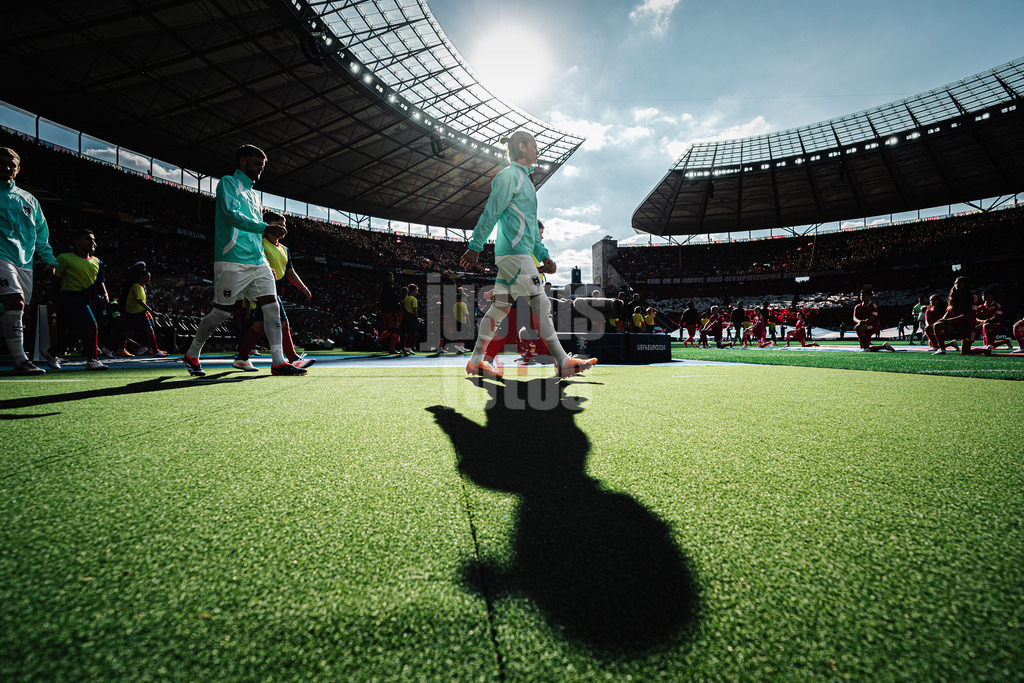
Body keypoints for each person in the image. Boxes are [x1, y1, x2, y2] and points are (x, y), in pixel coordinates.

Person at [459, 130, 595, 380]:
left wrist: (543, 255)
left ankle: (476, 361)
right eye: (534, 146)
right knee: (541, 305)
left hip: (517, 254)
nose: (538, 150)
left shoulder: (526, 182)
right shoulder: (509, 176)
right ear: (522, 147)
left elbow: (531, 226)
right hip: (515, 255)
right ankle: (563, 361)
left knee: (499, 308)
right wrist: (475, 245)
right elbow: (492, 211)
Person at [183, 144, 305, 377]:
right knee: (221, 312)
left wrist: (264, 251)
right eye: (257, 164)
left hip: (257, 261)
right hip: (232, 260)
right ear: (242, 162)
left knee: (272, 305)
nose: (260, 169)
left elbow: (255, 231)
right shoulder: (228, 183)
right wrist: (263, 226)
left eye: (263, 165)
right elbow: (231, 214)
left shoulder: (253, 195)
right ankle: (192, 353)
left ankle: (278, 361)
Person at [0, 147, 58, 375]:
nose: (6, 167)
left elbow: (41, 233)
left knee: (15, 309)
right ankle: (20, 360)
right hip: (1, 257)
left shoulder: (29, 199)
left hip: (24, 262)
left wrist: (49, 259)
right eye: (1, 162)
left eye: (10, 164)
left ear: (18, 169)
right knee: (15, 301)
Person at [233, 214, 315, 371]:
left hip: (276, 291)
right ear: (268, 225)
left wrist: (303, 287)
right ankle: (292, 358)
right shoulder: (260, 244)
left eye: (284, 225)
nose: (283, 228)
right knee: (283, 322)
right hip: (262, 290)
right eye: (279, 224)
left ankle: (241, 358)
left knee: (259, 326)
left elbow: (290, 272)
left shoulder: (285, 249)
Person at [40, 229, 109, 370]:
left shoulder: (97, 261)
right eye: (88, 239)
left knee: (80, 331)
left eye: (93, 239)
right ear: (76, 242)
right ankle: (92, 360)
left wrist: (105, 294)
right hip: (70, 298)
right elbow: (54, 277)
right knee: (91, 325)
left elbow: (100, 281)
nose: (93, 242)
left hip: (87, 299)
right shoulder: (64, 258)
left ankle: (52, 352)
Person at [933, 276, 991, 356]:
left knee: (965, 352)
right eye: (956, 283)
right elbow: (948, 311)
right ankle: (942, 349)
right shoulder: (953, 297)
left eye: (959, 283)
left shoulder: (973, 297)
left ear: (965, 284)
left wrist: (950, 320)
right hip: (955, 324)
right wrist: (942, 320)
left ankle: (986, 351)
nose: (957, 284)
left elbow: (969, 314)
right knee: (937, 326)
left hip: (967, 326)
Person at [116, 270, 169, 358]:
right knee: (132, 332)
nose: (148, 279)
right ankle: (114, 348)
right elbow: (139, 301)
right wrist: (151, 310)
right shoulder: (136, 286)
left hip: (138, 313)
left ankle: (154, 350)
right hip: (135, 313)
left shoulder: (141, 287)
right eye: (146, 277)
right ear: (140, 277)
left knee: (138, 331)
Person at [376, 272, 402, 355]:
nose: (393, 279)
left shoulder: (383, 288)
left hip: (385, 312)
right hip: (392, 312)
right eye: (392, 277)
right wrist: (398, 308)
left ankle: (376, 341)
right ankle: (392, 348)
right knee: (394, 330)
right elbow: (393, 301)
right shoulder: (390, 288)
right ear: (389, 278)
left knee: (388, 330)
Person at [400, 283, 420, 355]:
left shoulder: (405, 299)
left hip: (406, 317)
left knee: (407, 333)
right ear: (413, 290)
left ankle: (403, 348)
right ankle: (408, 347)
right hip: (411, 317)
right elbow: (415, 310)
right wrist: (417, 319)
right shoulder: (413, 299)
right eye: (416, 290)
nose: (417, 292)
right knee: (415, 332)